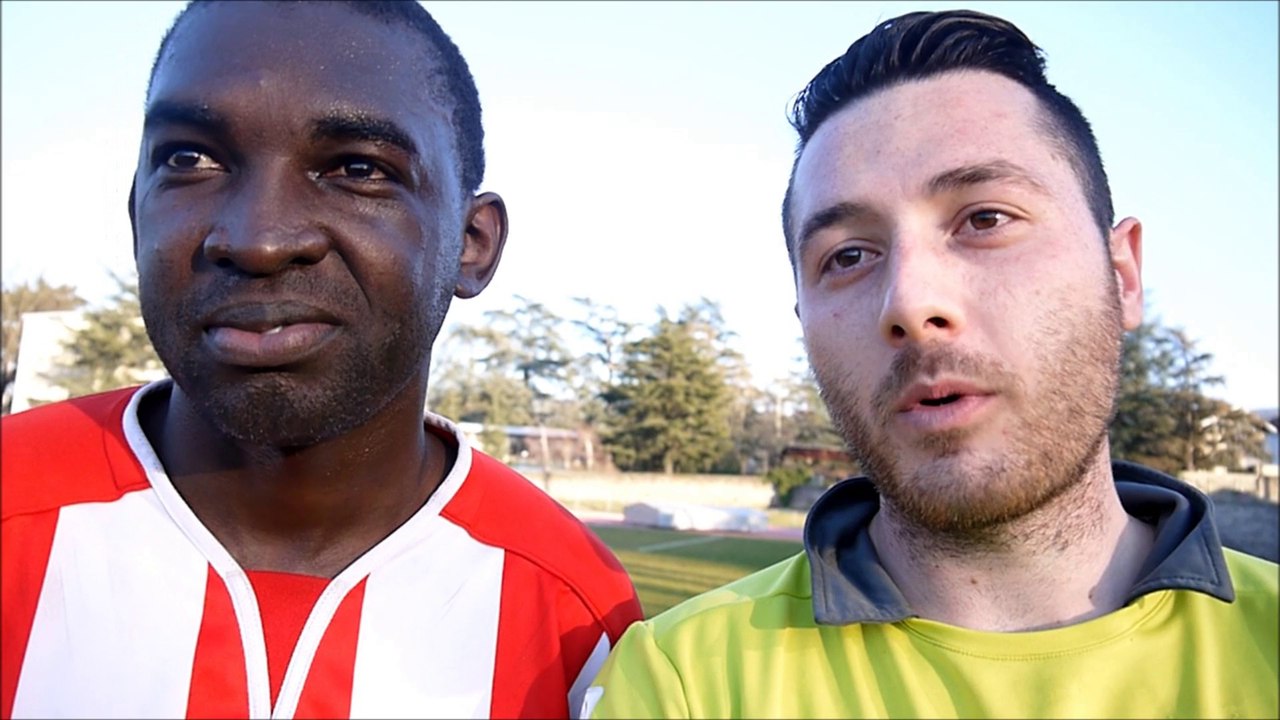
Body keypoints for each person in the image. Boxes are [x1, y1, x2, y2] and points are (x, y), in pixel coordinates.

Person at [586, 9, 1278, 719]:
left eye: (984, 219)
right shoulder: (686, 684)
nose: (911, 303)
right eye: (848, 257)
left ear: (1122, 274)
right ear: (803, 325)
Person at [0, 2, 642, 718]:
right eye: (190, 158)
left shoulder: (579, 618)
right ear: (135, 210)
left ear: (472, 243)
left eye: (357, 168)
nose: (259, 239)